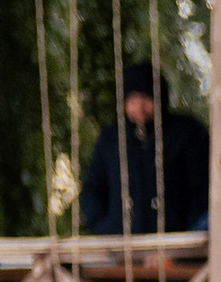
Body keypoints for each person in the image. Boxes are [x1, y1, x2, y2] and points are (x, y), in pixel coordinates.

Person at [80, 63, 212, 240]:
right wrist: (106, 228)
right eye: (132, 101)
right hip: (119, 247)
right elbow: (93, 189)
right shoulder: (111, 139)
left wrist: (187, 233)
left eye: (146, 100)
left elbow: (204, 189)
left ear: (160, 98)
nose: (139, 108)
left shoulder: (187, 134)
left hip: (178, 247)